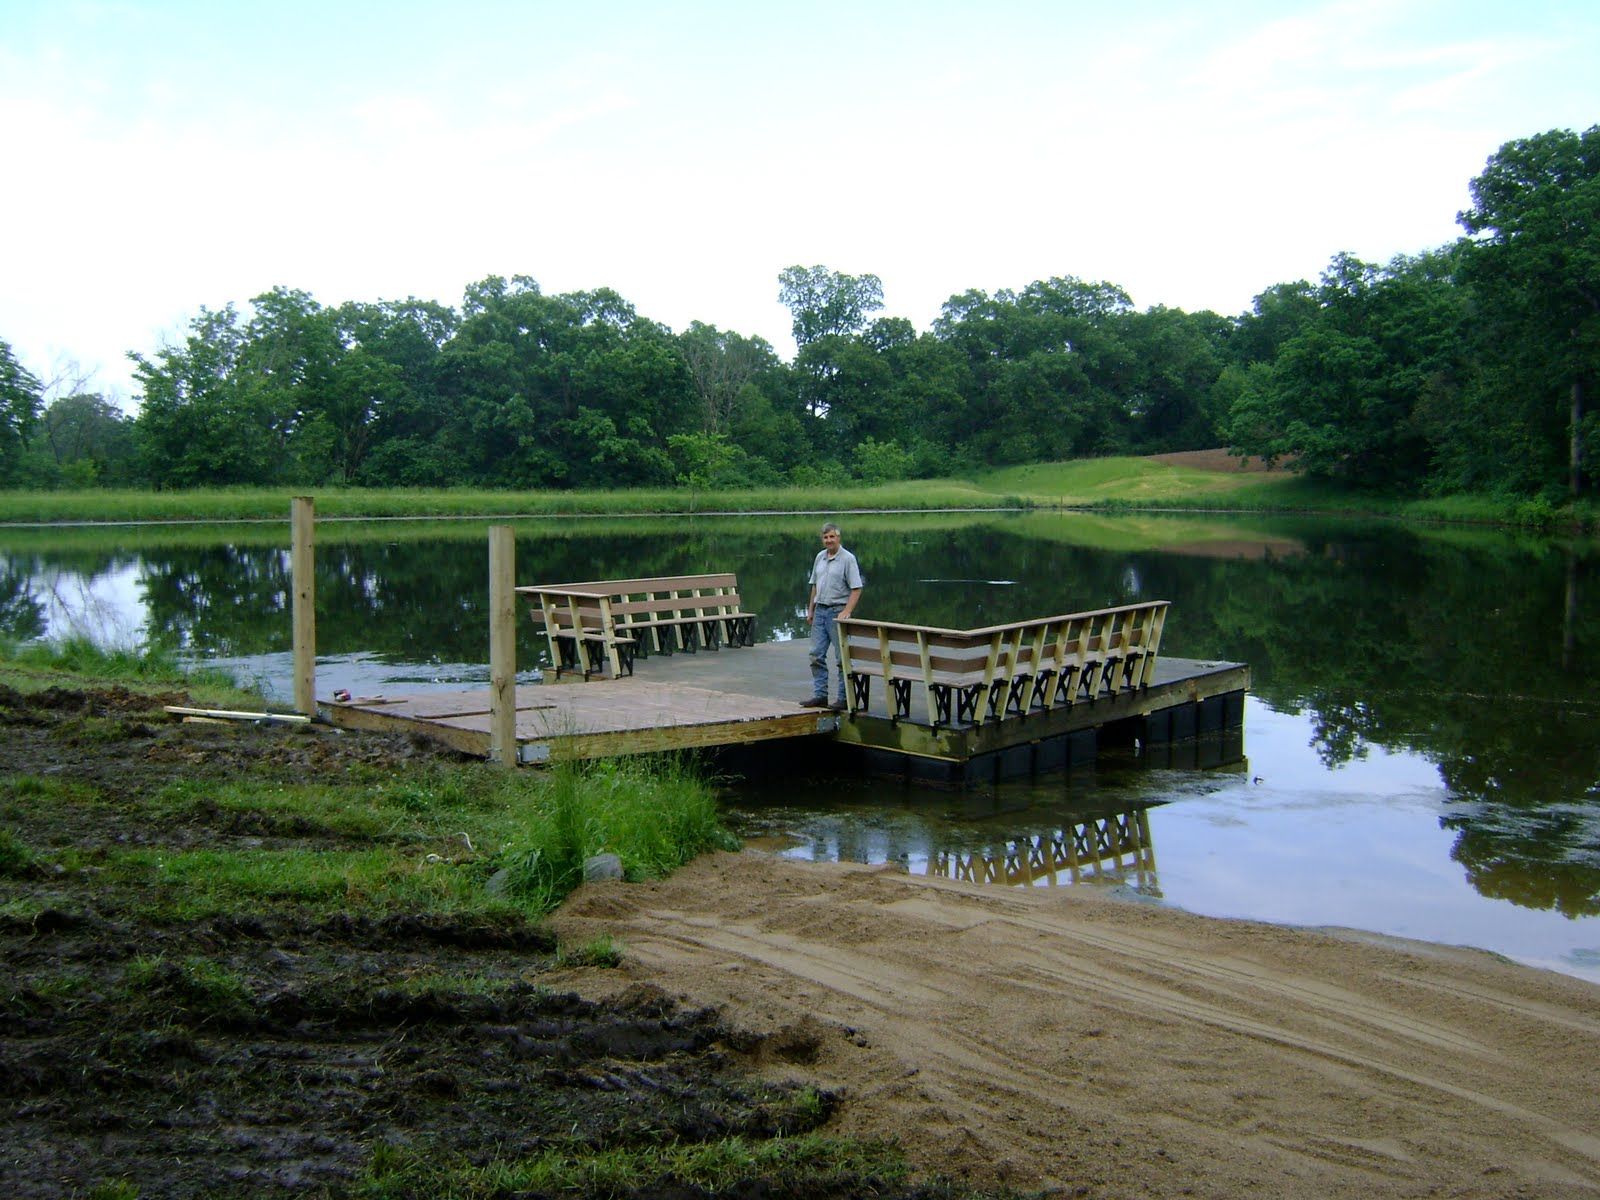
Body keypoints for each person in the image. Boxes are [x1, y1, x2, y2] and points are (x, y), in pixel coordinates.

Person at [800, 521, 863, 711]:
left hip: (837, 612)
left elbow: (856, 588)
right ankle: (820, 695)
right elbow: (814, 585)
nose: (829, 540)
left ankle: (843, 698)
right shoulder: (820, 557)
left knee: (842, 657)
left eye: (832, 537)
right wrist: (811, 610)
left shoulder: (848, 559)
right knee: (815, 654)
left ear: (838, 537)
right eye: (825, 537)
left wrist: (847, 611)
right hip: (820, 611)